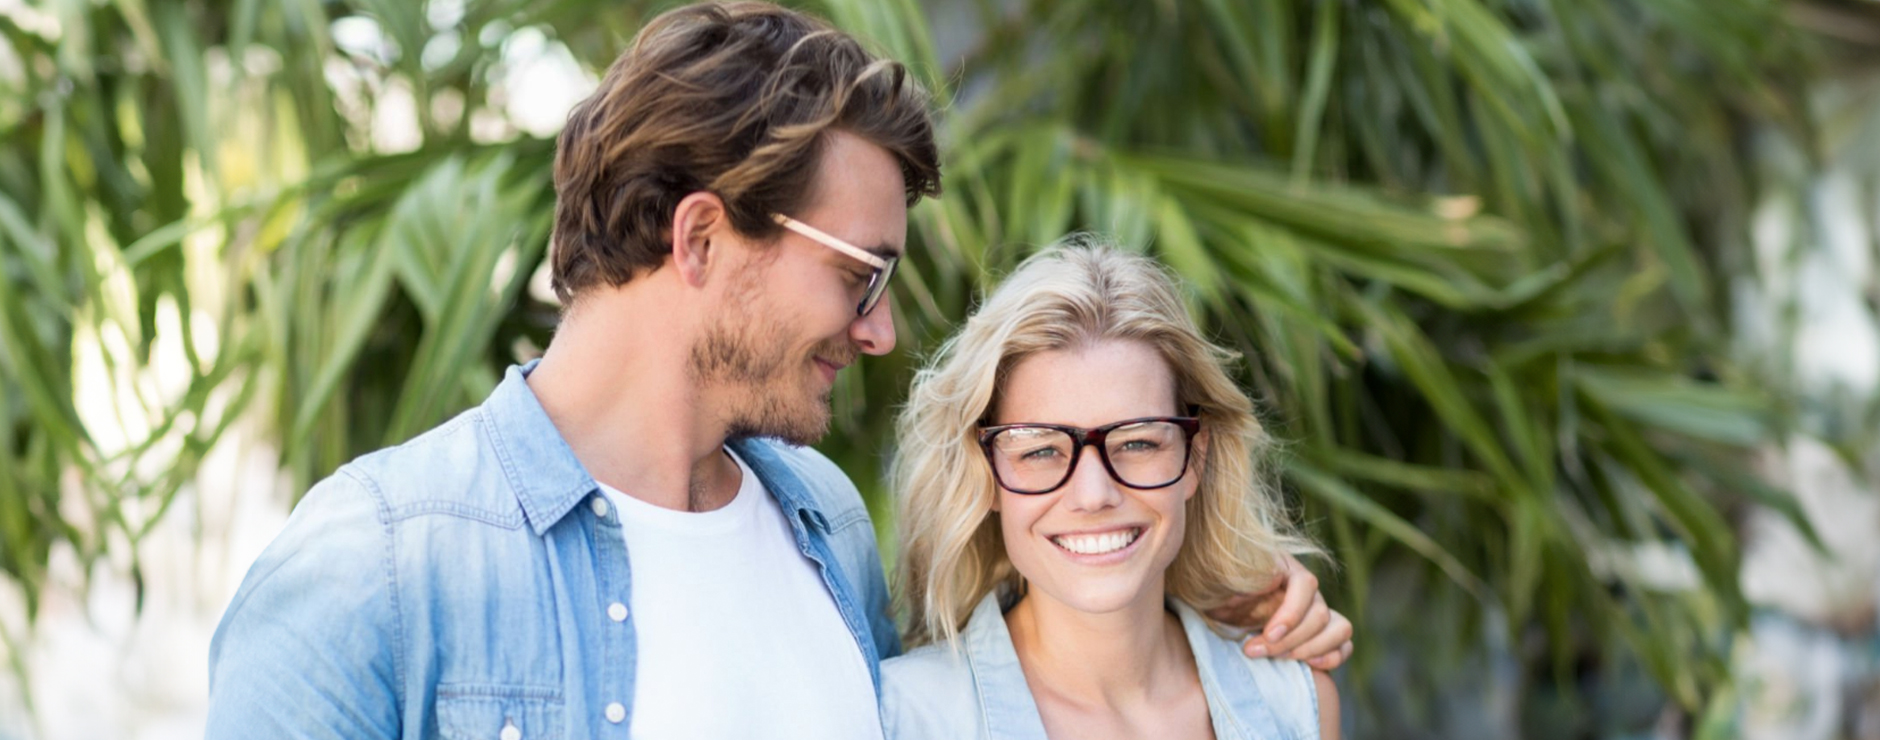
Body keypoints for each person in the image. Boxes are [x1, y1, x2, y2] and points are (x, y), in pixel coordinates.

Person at [206, 4, 1348, 738]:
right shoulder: (377, 568)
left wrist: (1222, 605)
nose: (881, 330)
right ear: (701, 239)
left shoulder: (826, 527)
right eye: (860, 273)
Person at [882, 244, 1344, 739]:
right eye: (1040, 450)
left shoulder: (1297, 705)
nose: (1093, 494)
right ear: (986, 471)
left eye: (1138, 442)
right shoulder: (903, 717)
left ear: (1196, 456)